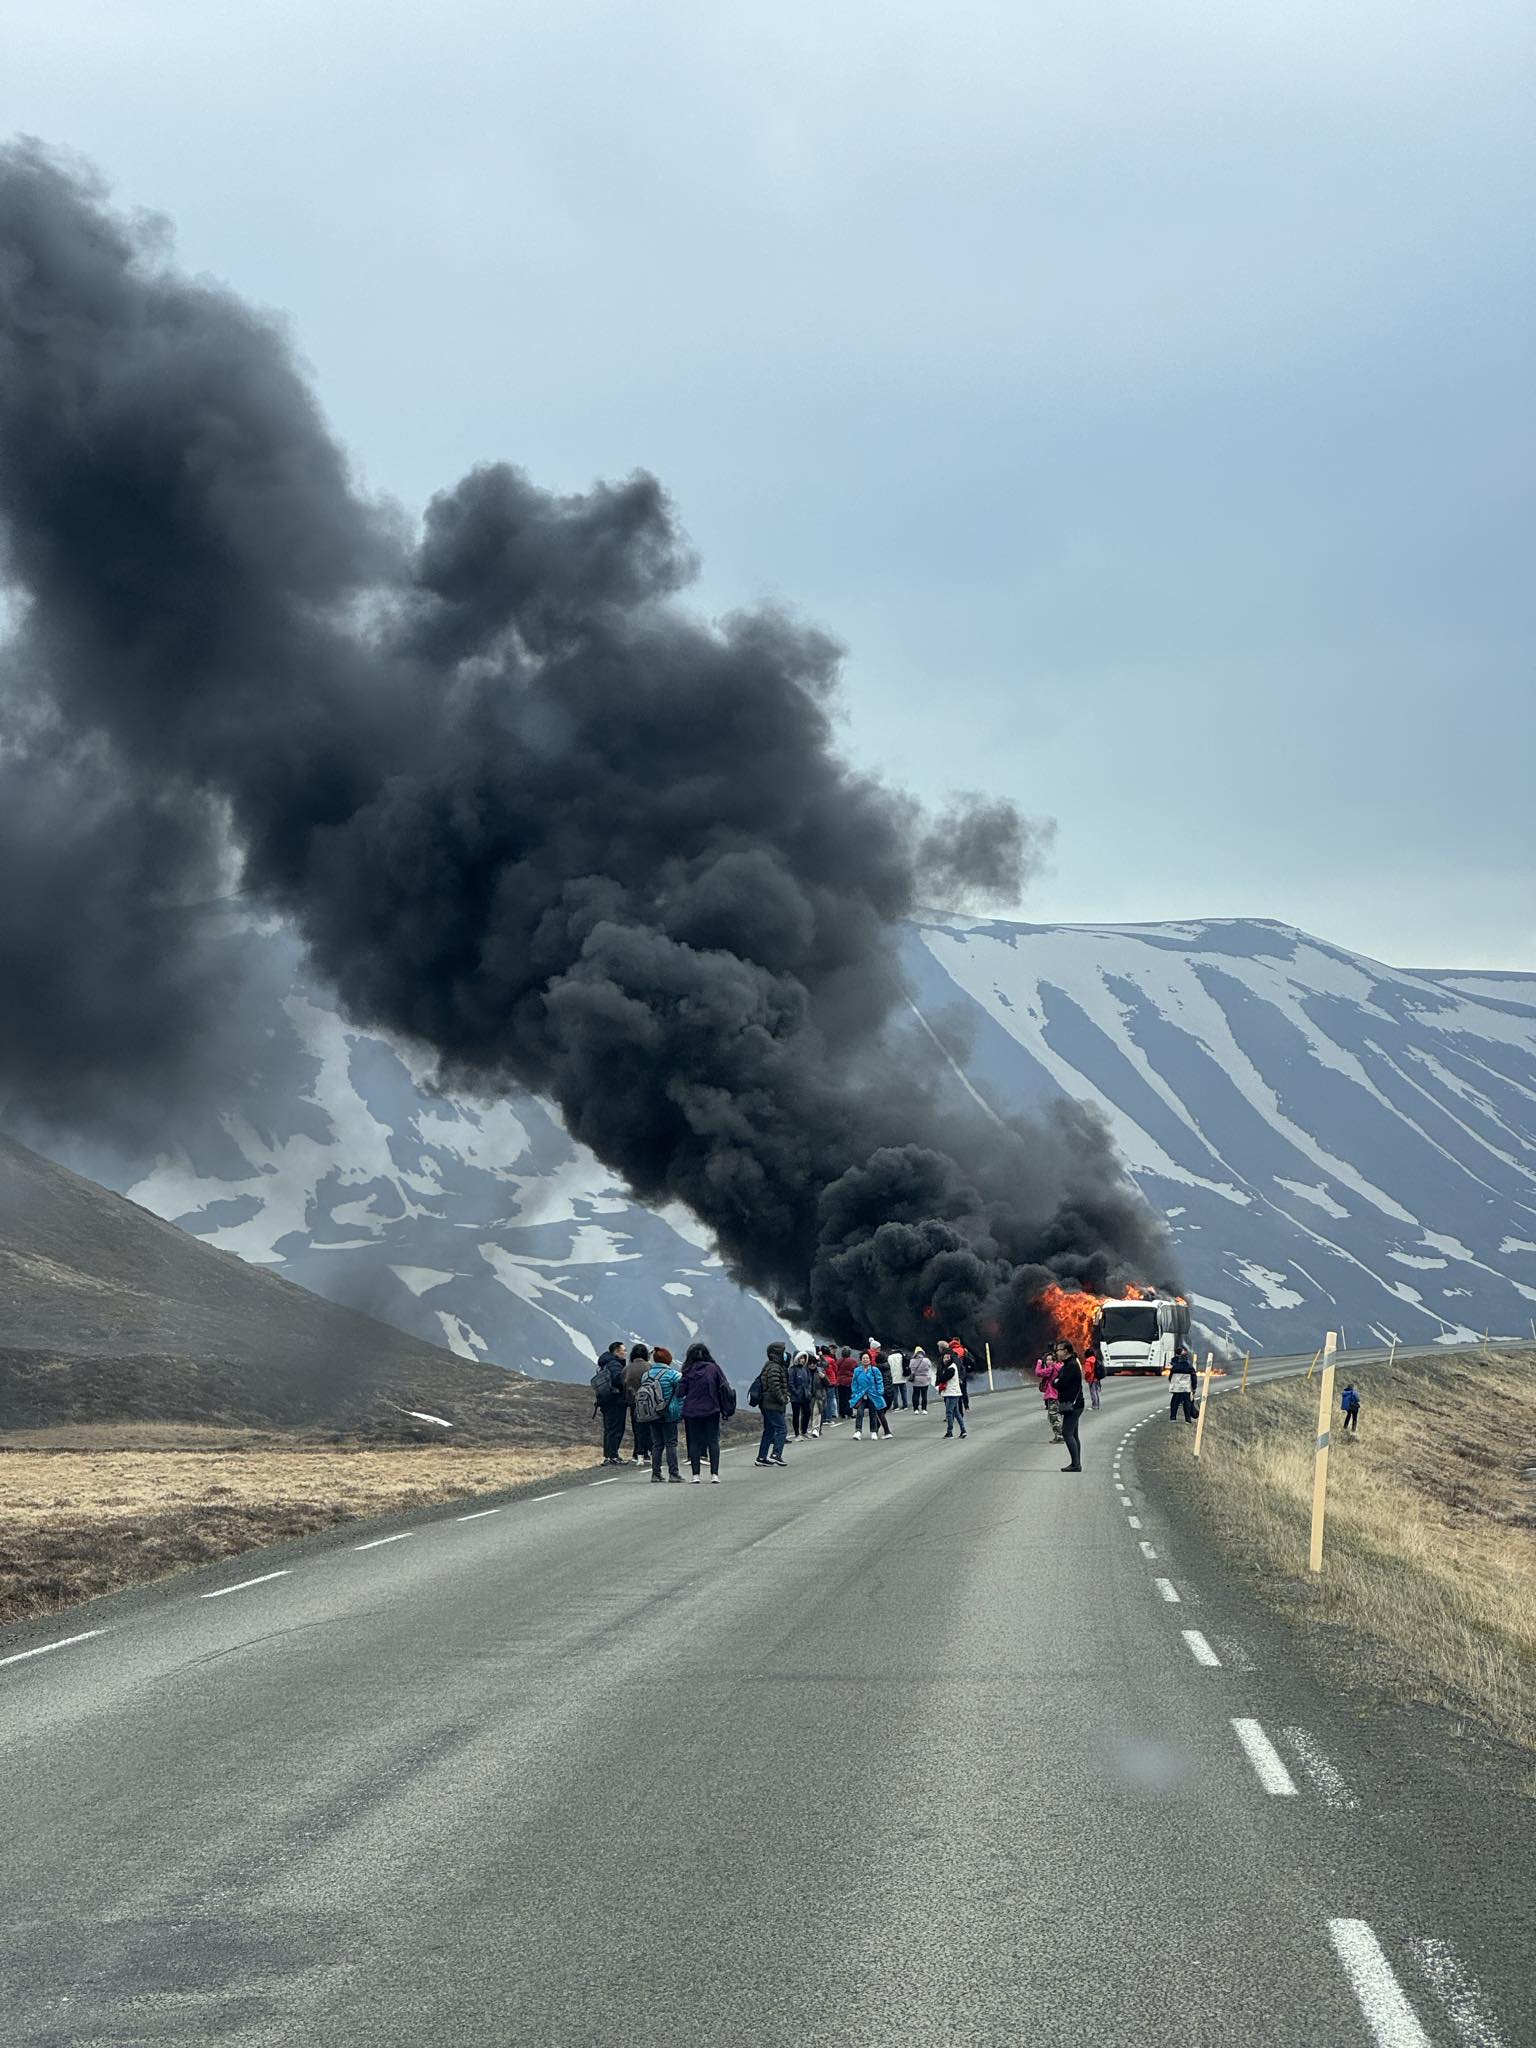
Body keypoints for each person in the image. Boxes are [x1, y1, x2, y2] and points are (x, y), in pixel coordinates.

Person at [680, 1341, 732, 1482]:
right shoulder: (714, 1368)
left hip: (691, 1411)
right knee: (713, 1441)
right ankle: (714, 1474)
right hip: (712, 1409)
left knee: (695, 1442)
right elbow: (724, 1387)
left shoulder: (687, 1370)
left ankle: (695, 1475)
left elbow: (680, 1392)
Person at [639, 1348, 684, 1483]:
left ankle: (656, 1473)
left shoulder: (646, 1375)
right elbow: (681, 1393)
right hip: (669, 1412)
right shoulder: (674, 1375)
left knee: (657, 1444)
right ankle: (673, 1473)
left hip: (652, 1413)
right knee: (671, 1443)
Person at [754, 1341, 792, 1468]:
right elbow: (775, 1386)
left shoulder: (769, 1365)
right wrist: (783, 1398)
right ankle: (776, 1455)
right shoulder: (775, 1367)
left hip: (767, 1403)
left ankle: (761, 1457)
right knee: (782, 1429)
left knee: (769, 1430)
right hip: (772, 1404)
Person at [594, 1340, 629, 1465]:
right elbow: (618, 1379)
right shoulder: (614, 1364)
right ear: (616, 1352)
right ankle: (613, 1455)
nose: (625, 1353)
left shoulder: (606, 1363)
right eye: (623, 1350)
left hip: (606, 1401)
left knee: (609, 1429)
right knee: (616, 1428)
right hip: (616, 1401)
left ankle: (608, 1456)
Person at [1056, 1346, 1085, 1472]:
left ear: (1066, 1351)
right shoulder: (1069, 1364)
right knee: (1073, 1434)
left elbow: (1061, 1383)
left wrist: (1056, 1382)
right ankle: (1076, 1463)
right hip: (1075, 1404)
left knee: (1067, 1433)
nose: (1057, 1352)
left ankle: (1076, 1464)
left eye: (1059, 1350)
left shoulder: (1071, 1366)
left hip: (1073, 1405)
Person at [623, 1343, 652, 1467]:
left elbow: (623, 1384)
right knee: (650, 1427)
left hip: (634, 1402)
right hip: (649, 1402)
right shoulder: (650, 1367)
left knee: (637, 1428)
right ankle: (649, 1453)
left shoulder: (627, 1369)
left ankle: (638, 1453)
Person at [849, 1352, 888, 1440]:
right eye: (863, 1358)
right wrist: (855, 1392)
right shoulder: (857, 1370)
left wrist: (880, 1391)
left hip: (872, 1394)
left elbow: (879, 1381)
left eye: (867, 1358)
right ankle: (858, 1431)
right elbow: (854, 1383)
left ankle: (873, 1431)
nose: (865, 1360)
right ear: (861, 1360)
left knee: (873, 1413)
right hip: (861, 1394)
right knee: (860, 1412)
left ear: (870, 1360)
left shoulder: (875, 1370)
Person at [937, 1348, 968, 1438]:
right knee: (956, 1412)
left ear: (950, 1358)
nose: (945, 1359)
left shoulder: (951, 1369)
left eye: (947, 1358)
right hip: (953, 1392)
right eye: (944, 1358)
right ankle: (963, 1430)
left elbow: (943, 1378)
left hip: (951, 1393)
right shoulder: (951, 1367)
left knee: (949, 1412)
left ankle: (949, 1432)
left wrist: (939, 1372)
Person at [1035, 1353, 1064, 1442]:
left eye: (1050, 1359)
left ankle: (1059, 1436)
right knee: (1058, 1415)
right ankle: (1062, 1434)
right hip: (1059, 1395)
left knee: (1053, 1416)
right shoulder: (1060, 1367)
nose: (1048, 1361)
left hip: (1052, 1395)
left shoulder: (1051, 1369)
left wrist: (1039, 1363)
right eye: (1047, 1360)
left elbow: (1038, 1372)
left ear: (1055, 1361)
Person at [789, 1352, 817, 1440]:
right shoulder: (792, 1370)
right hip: (796, 1397)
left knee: (807, 1413)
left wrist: (809, 1391)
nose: (802, 1360)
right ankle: (797, 1434)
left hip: (805, 1396)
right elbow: (790, 1383)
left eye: (804, 1358)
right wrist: (796, 1392)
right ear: (796, 1359)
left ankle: (804, 1431)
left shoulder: (805, 1369)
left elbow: (809, 1382)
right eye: (801, 1358)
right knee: (796, 1415)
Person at [1168, 1347, 1198, 1425]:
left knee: (1174, 1403)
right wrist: (1194, 1388)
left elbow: (1170, 1377)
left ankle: (1173, 1418)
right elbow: (1194, 1378)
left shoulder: (1175, 1367)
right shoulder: (1190, 1367)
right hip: (1186, 1388)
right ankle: (1187, 1420)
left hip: (1176, 1388)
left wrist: (1172, 1383)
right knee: (1187, 1404)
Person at [909, 1346, 933, 1414]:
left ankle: (916, 1409)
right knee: (924, 1395)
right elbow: (929, 1367)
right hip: (925, 1380)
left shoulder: (912, 1361)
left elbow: (911, 1368)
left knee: (915, 1394)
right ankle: (924, 1409)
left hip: (916, 1380)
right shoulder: (926, 1360)